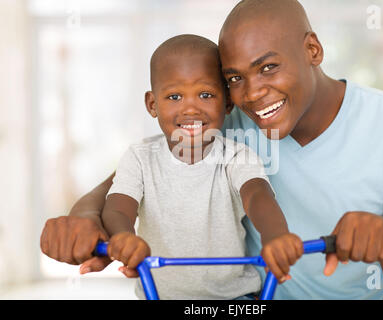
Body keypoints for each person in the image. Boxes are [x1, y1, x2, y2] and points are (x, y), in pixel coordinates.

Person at [40, 0, 383, 299]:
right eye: (234, 77)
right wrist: (83, 218)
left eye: (268, 67)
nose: (252, 94)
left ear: (313, 50)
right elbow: (132, 176)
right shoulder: (228, 121)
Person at [42, 34, 303, 300]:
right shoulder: (140, 157)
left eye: (205, 94)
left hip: (234, 298)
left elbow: (258, 196)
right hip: (156, 295)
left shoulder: (237, 156)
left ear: (226, 103)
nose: (190, 108)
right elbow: (118, 206)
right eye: (175, 96)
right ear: (152, 105)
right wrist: (123, 236)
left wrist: (276, 235)